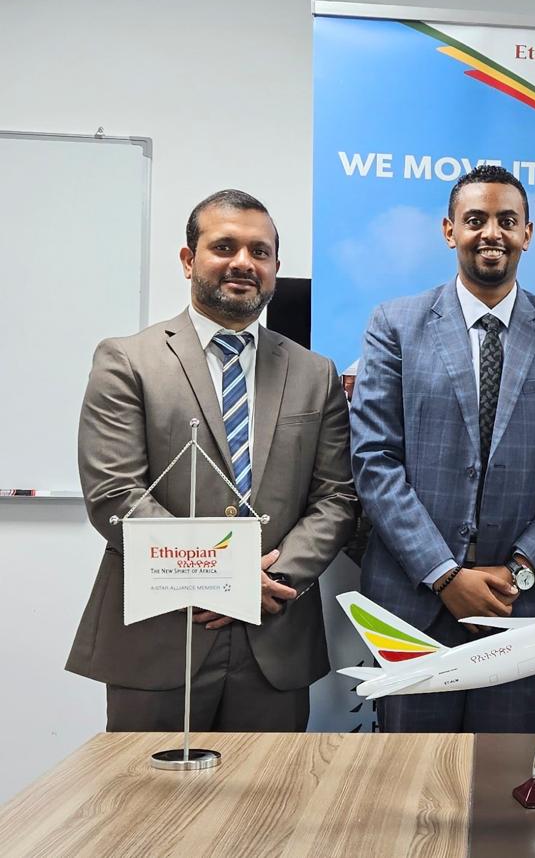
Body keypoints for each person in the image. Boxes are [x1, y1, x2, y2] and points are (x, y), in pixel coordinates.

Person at [67, 189, 357, 732]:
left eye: (260, 251)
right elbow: (115, 496)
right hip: (159, 634)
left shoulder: (315, 373)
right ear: (188, 259)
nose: (243, 263)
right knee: (149, 812)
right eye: (224, 247)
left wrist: (270, 579)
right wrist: (224, 577)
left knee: (269, 811)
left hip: (275, 629)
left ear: (274, 267)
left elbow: (337, 498)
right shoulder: (128, 361)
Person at [349, 165, 535, 733]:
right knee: (410, 782)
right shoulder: (395, 325)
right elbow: (374, 460)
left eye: (507, 221)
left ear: (527, 234)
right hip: (412, 603)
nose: (492, 233)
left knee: (504, 777)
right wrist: (443, 574)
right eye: (476, 219)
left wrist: (521, 568)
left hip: (522, 606)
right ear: (448, 230)